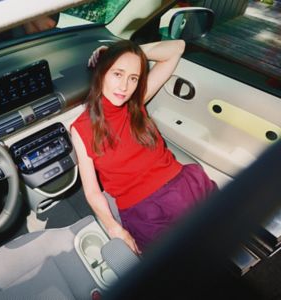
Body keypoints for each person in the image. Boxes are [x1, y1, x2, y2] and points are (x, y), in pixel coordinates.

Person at [71, 39, 217, 255]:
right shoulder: (81, 129)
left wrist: (131, 53)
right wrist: (115, 229)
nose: (124, 87)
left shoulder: (136, 102)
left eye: (133, 78)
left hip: (184, 186)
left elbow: (178, 48)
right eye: (117, 74)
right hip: (144, 211)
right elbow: (92, 192)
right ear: (101, 72)